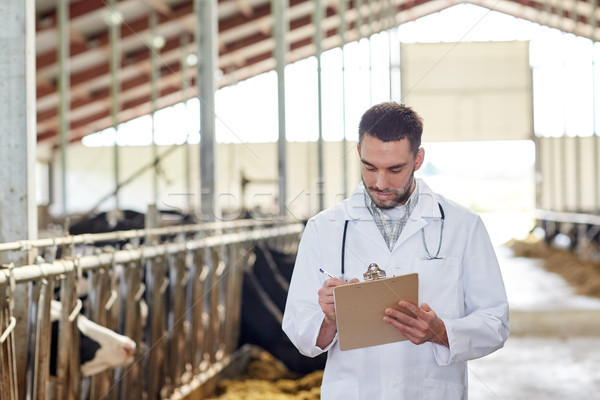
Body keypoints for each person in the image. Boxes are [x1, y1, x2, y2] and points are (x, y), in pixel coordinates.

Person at [282, 102, 509, 399]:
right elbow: (300, 333)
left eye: (395, 169)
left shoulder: (463, 226)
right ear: (359, 154)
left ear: (418, 159)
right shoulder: (324, 228)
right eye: (369, 167)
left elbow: (495, 321)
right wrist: (331, 320)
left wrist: (440, 331)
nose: (380, 182)